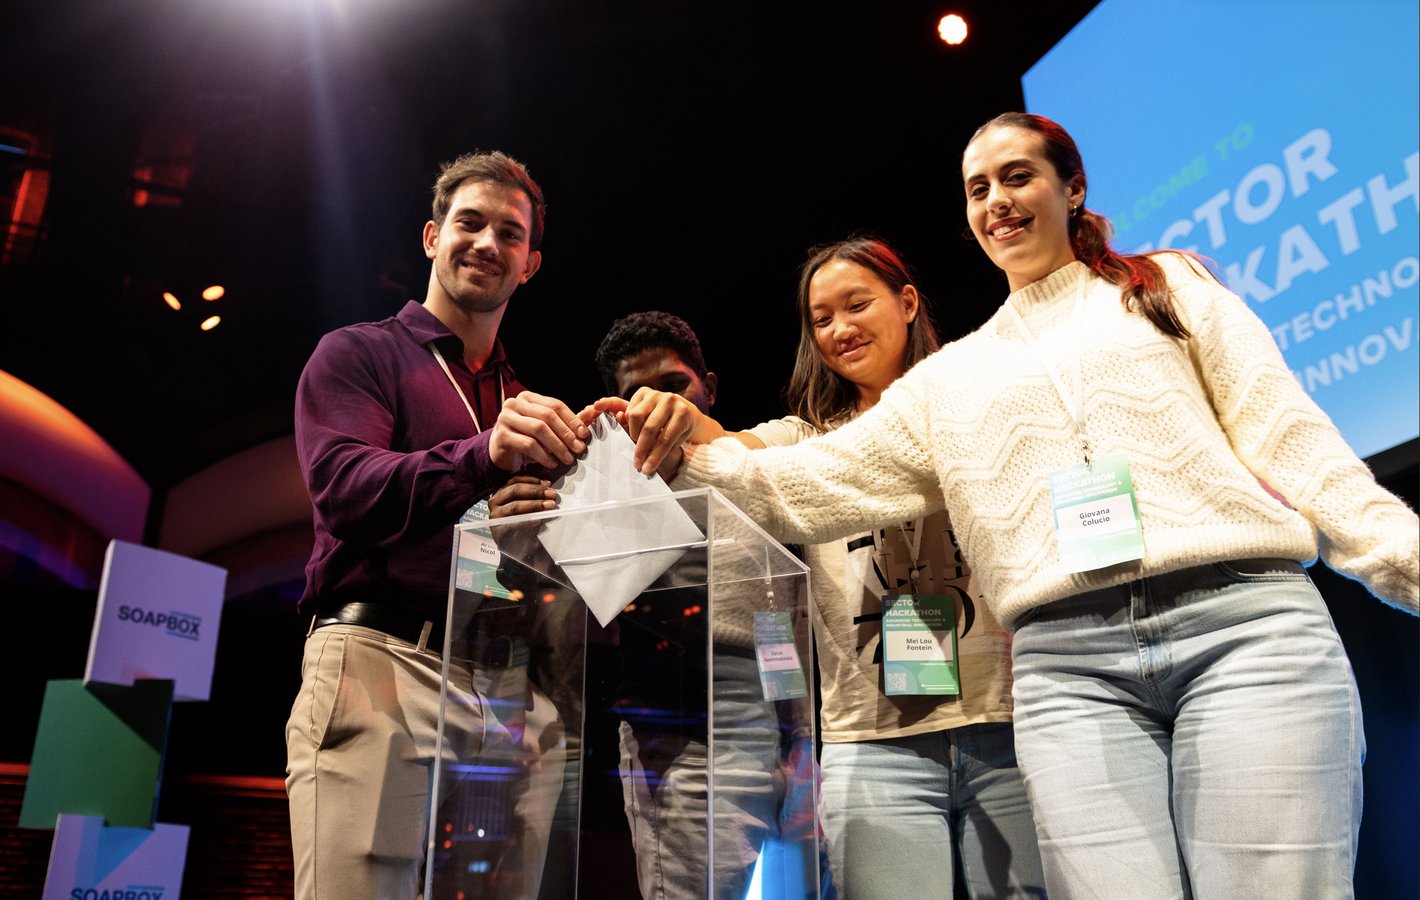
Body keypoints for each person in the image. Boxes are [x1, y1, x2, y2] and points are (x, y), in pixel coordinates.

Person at [616, 113, 1420, 899]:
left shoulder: (1169, 286)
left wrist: (1404, 559)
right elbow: (801, 483)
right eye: (977, 188)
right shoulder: (952, 377)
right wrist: (666, 444)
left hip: (1243, 624)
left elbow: (1293, 438)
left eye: (1017, 176)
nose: (996, 199)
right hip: (1070, 671)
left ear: (1071, 189)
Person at [601, 247, 1047, 898]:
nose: (839, 329)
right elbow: (732, 453)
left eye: (856, 305)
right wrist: (677, 417)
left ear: (909, 302)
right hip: (875, 747)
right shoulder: (807, 442)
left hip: (1001, 725)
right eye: (821, 319)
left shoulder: (975, 409)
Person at [285, 150, 592, 900]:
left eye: (510, 234)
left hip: (506, 692)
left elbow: (538, 571)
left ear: (532, 263)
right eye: (470, 223)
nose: (488, 243)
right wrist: (483, 458)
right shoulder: (359, 354)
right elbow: (344, 490)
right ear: (432, 237)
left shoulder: (531, 407)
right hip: (384, 664)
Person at [493, 310, 821, 900]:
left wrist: (800, 735)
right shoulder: (596, 495)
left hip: (785, 725)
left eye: (674, 387)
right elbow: (536, 606)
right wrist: (518, 533)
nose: (656, 405)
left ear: (709, 389)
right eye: (632, 394)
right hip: (681, 730)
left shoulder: (761, 454)